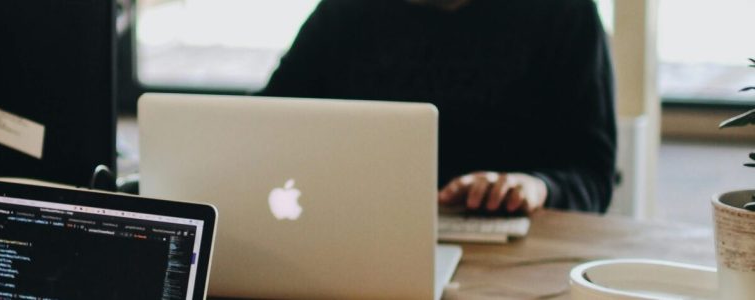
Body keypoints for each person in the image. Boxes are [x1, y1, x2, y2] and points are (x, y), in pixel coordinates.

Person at [260, 0, 616, 214]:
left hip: (511, 255)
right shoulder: (343, 13)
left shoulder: (563, 13)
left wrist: (537, 187)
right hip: (358, 232)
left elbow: (593, 175)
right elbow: (264, 126)